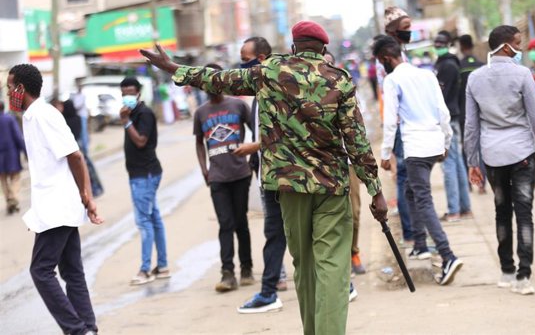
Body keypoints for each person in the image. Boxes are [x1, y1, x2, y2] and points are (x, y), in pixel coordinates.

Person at [140, 20, 387, 335]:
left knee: (305, 265)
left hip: (289, 186)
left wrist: (173, 67)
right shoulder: (338, 80)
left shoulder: (269, 72)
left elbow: (218, 80)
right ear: (324, 49)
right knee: (333, 268)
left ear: (294, 46)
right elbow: (356, 140)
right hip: (331, 186)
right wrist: (375, 190)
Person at [6, 64, 103, 335]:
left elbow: (75, 155)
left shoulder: (43, 115)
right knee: (72, 272)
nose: (8, 92)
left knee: (41, 271)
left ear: (21, 89)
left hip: (58, 206)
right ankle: (88, 329)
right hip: (55, 205)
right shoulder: (32, 116)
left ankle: (76, 330)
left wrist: (87, 195)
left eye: (10, 87)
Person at [465, 25, 535, 295]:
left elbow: (471, 125)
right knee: (524, 213)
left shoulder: (475, 79)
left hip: (492, 156)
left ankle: (506, 271)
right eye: (518, 42)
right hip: (522, 154)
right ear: (506, 46)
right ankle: (523, 276)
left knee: (502, 210)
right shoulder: (523, 74)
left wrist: (473, 161)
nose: (522, 47)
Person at [375, 35, 463, 284]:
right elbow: (443, 112)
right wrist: (446, 142)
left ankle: (448, 255)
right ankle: (421, 244)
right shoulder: (426, 74)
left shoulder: (392, 80)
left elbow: (391, 120)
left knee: (422, 198)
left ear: (386, 59)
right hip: (434, 142)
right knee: (411, 192)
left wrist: (385, 154)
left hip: (415, 147)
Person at [235, 36, 289, 313]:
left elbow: (284, 133)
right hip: (267, 171)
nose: (243, 65)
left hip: (286, 175)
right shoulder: (258, 90)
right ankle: (269, 291)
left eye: (246, 59)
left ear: (263, 58)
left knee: (305, 233)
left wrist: (253, 147)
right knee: (275, 233)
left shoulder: (277, 86)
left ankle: (342, 284)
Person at [194, 63, 254, 293]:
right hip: (217, 177)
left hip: (240, 173)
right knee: (225, 224)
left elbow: (255, 131)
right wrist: (204, 169)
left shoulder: (238, 105)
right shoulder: (201, 112)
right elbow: (199, 143)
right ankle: (227, 273)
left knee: (241, 222)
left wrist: (251, 154)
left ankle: (246, 268)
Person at [119, 77, 171, 284]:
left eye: (131, 93)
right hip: (140, 174)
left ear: (139, 93)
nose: (127, 97)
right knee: (154, 218)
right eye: (124, 93)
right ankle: (164, 265)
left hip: (145, 174)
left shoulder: (144, 113)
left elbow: (141, 141)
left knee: (144, 221)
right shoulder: (130, 112)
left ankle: (145, 269)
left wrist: (126, 122)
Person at [324, 51, 366, 276]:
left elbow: (358, 131)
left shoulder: (346, 90)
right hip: (321, 165)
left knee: (354, 211)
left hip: (346, 162)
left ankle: (353, 252)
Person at [382, 7, 415, 245]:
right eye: (405, 29)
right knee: (404, 179)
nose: (409, 32)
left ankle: (416, 231)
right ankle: (412, 234)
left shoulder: (402, 54)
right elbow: (389, 102)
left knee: (412, 180)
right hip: (401, 127)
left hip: (410, 125)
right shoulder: (388, 59)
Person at [434, 30, 471, 222]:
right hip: (454, 115)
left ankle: (454, 209)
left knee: (448, 163)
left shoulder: (447, 66)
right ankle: (464, 207)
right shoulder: (451, 63)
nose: (437, 47)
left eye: (441, 44)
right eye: (436, 43)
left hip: (447, 119)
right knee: (456, 163)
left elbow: (441, 97)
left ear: (447, 44)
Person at [54, 100, 104, 198]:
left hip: (71, 148)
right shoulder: (78, 118)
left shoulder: (64, 120)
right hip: (80, 146)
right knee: (88, 169)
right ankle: (94, 189)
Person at [458, 34, 487, 195]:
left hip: (464, 113)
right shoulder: (481, 66)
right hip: (482, 112)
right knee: (481, 147)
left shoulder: (459, 66)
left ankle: (469, 182)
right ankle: (482, 183)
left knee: (467, 147)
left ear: (461, 47)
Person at [0, 100, 26, 214]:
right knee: (15, 177)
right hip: (11, 153)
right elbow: (17, 135)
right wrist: (25, 151)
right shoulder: (9, 119)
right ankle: (13, 197)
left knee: (3, 180)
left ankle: (9, 199)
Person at [71, 78, 90, 156]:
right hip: (77, 116)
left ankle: (85, 150)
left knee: (83, 133)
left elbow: (77, 106)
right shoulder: (75, 95)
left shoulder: (82, 95)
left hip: (82, 116)